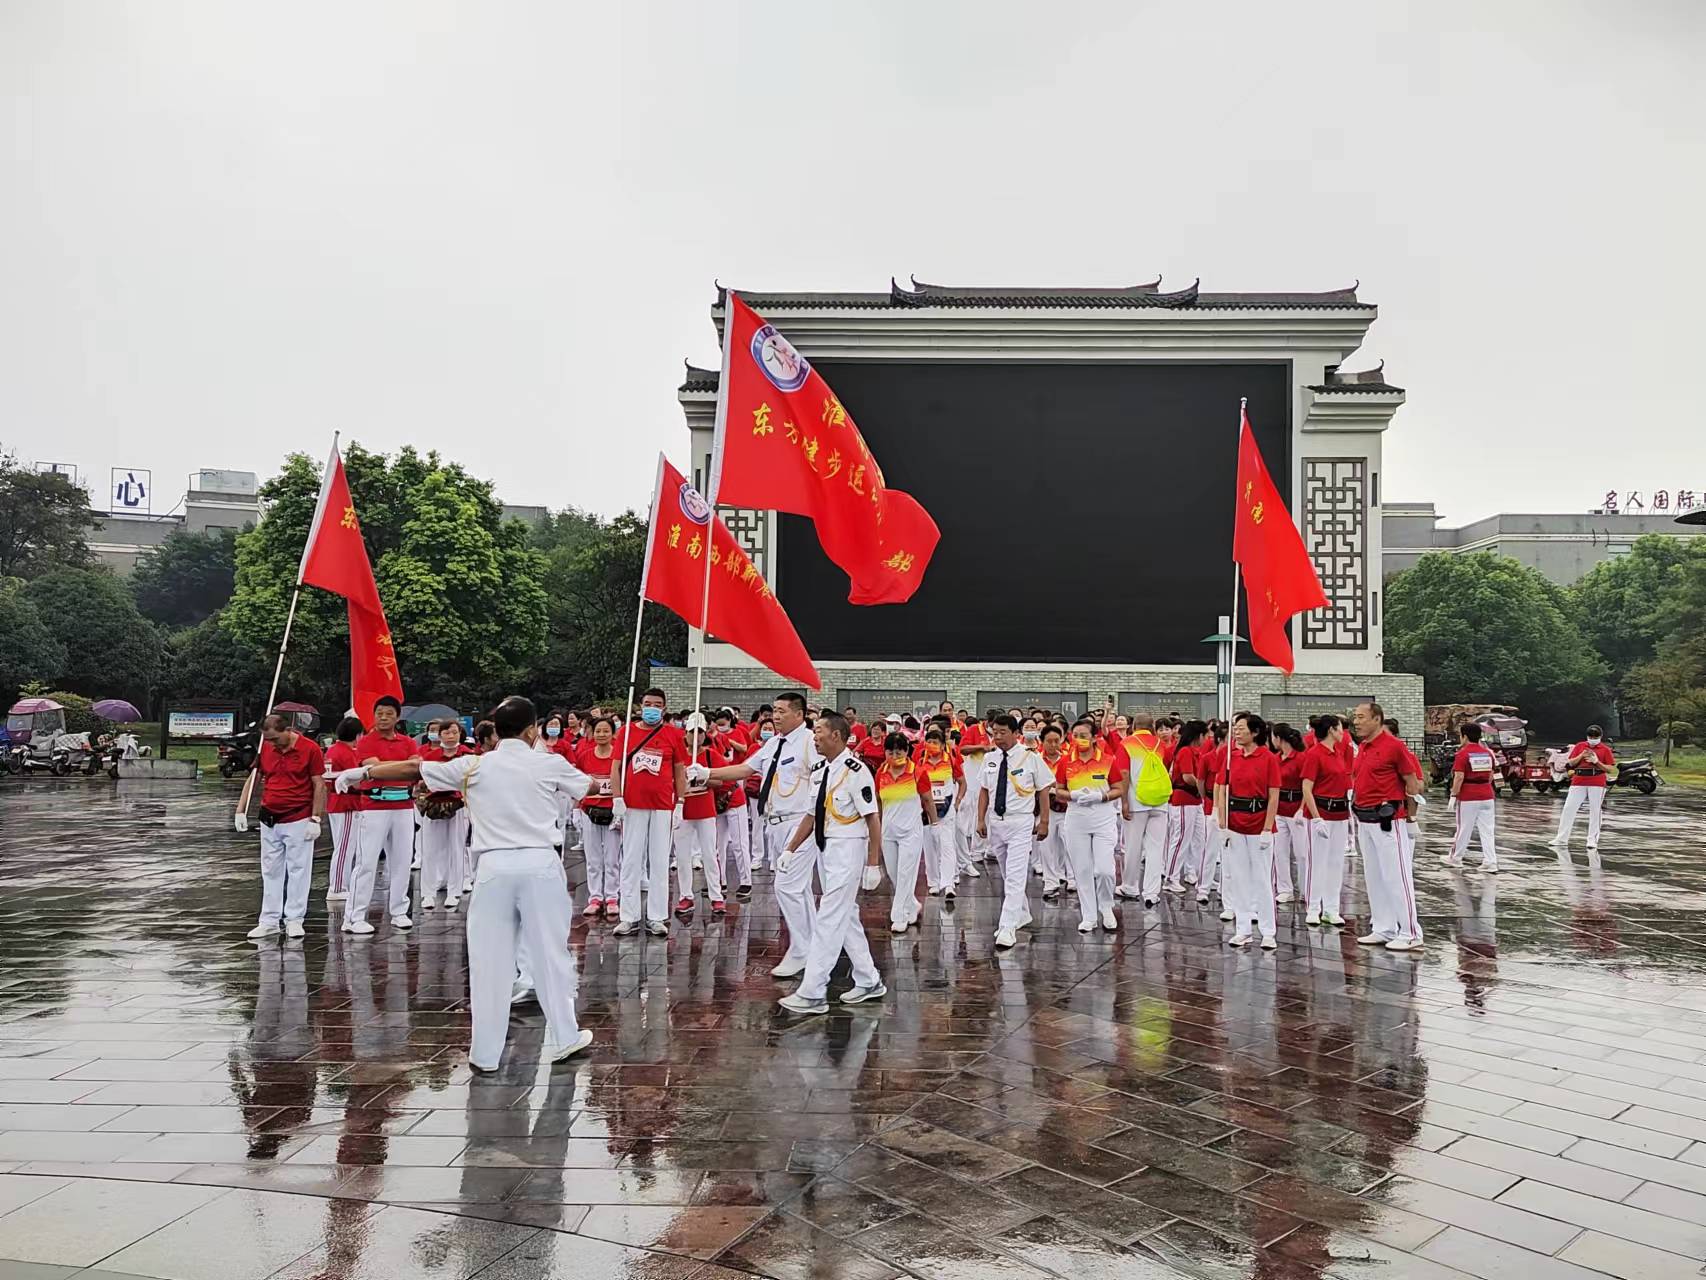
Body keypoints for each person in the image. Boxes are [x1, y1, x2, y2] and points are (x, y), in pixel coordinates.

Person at [335, 695, 594, 1070]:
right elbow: (590, 788)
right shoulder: (549, 763)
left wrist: (363, 774)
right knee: (550, 955)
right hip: (539, 865)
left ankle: (485, 1053)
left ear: (494, 732)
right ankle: (566, 1038)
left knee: (489, 961)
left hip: (492, 868)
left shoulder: (474, 766)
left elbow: (414, 770)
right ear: (531, 730)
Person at [694, 691, 819, 977]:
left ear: (799, 715)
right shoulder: (773, 744)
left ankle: (801, 949)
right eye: (774, 710)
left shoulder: (810, 743)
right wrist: (705, 773)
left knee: (787, 887)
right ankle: (812, 945)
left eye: (782, 711)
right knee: (795, 889)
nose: (775, 716)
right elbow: (743, 769)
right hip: (774, 822)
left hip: (799, 822)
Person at [773, 713, 886, 1015]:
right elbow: (811, 814)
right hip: (826, 849)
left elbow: (872, 818)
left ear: (836, 735)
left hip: (848, 850)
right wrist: (790, 849)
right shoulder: (821, 770)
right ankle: (869, 979)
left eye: (819, 731)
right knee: (845, 917)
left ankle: (813, 991)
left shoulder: (856, 770)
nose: (814, 736)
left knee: (828, 918)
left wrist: (872, 864)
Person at [610, 688, 690, 938]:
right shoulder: (625, 733)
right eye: (647, 704)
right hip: (633, 804)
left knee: (659, 861)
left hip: (663, 805)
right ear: (639, 706)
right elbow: (616, 767)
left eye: (657, 704)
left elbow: (679, 770)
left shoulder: (673, 734)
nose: (652, 708)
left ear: (664, 709)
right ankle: (628, 916)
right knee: (631, 859)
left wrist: (681, 801)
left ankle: (656, 917)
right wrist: (617, 797)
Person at [238, 713, 326, 940]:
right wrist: (241, 809)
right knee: (270, 870)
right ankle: (269, 920)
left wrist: (316, 818)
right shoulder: (266, 748)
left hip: (298, 817)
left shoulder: (310, 749)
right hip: (269, 817)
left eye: (275, 739)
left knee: (298, 870)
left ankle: (295, 919)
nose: (272, 744)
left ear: (289, 730)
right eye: (267, 739)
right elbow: (255, 777)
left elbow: (319, 784)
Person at [976, 713, 1057, 949]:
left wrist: (1044, 821)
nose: (998, 737)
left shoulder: (1030, 758)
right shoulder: (990, 758)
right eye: (995, 732)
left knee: (1015, 874)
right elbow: (983, 790)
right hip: (996, 820)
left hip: (1020, 822)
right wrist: (980, 819)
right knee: (1005, 871)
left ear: (1015, 734)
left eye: (1003, 732)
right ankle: (1021, 913)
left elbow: (1043, 790)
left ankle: (1007, 927)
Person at [1351, 702, 1426, 952]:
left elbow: (1412, 783)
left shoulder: (1394, 746)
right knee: (1374, 877)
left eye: (1362, 717)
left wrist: (1409, 815)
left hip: (1388, 820)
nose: (1357, 722)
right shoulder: (1363, 747)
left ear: (1377, 719)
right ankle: (1384, 927)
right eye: (1355, 717)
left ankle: (1411, 931)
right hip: (1365, 818)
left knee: (1397, 877)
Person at [344, 696, 421, 935]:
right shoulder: (366, 742)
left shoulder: (408, 742)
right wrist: (401, 767)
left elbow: (414, 769)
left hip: (403, 807)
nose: (383, 717)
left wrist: (396, 768)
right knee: (366, 862)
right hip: (374, 806)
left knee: (401, 860)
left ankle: (399, 911)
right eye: (379, 713)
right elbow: (375, 770)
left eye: (388, 713)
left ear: (397, 717)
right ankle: (354, 916)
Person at [1056, 717, 1126, 934]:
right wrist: (1073, 795)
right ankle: (1088, 915)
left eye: (1084, 736)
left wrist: (1101, 797)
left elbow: (1119, 788)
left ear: (1094, 738)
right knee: (1083, 869)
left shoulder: (1107, 760)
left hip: (1103, 818)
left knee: (1104, 869)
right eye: (1075, 736)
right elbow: (1058, 791)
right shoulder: (1066, 761)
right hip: (1076, 819)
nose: (1079, 740)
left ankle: (1106, 907)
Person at [1218, 712, 1281, 950]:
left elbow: (1274, 793)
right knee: (1239, 878)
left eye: (1241, 728)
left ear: (1254, 732)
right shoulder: (1230, 758)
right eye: (1236, 728)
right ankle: (1242, 929)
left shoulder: (1268, 758)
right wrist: (1222, 823)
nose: (1237, 731)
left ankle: (1268, 931)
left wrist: (1267, 827)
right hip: (1235, 823)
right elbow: (1222, 789)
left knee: (1262, 879)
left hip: (1259, 824)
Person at [874, 732, 934, 933]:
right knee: (893, 873)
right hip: (888, 831)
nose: (895, 755)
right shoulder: (881, 773)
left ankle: (898, 915)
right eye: (890, 752)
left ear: (907, 752)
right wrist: (877, 826)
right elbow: (879, 802)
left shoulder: (917, 772)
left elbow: (928, 800)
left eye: (899, 751)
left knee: (905, 872)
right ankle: (912, 904)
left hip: (911, 832)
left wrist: (935, 825)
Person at [1299, 714, 1352, 927]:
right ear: (1331, 729)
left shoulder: (1338, 752)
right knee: (1317, 863)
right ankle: (1313, 907)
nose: (1343, 733)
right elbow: (1306, 787)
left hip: (1339, 813)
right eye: (1340, 728)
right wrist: (1317, 817)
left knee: (1335, 863)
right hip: (1320, 813)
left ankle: (1331, 908)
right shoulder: (1315, 754)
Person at [675, 713, 728, 920]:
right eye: (691, 732)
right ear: (685, 734)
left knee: (709, 854)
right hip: (683, 811)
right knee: (682, 856)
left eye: (699, 732)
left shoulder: (710, 756)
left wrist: (705, 777)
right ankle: (685, 895)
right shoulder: (678, 755)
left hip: (705, 811)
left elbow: (721, 782)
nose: (695, 736)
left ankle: (716, 896)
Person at [1115, 713, 1171, 907]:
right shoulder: (1160, 744)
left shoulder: (1127, 743)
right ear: (1153, 727)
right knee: (1156, 848)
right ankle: (1151, 892)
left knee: (1132, 845)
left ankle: (1130, 886)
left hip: (1136, 801)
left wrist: (1123, 801)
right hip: (1160, 802)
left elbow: (1123, 773)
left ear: (1133, 726)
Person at [418, 720, 473, 911]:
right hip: (434, 805)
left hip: (458, 805)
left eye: (454, 732)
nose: (450, 736)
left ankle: (454, 891)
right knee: (430, 849)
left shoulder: (467, 754)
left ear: (460, 734)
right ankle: (428, 893)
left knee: (456, 848)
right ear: (440, 735)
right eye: (446, 732)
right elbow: (420, 779)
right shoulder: (429, 755)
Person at [575, 716, 621, 918]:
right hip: (590, 811)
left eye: (606, 731)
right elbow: (577, 783)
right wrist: (578, 807)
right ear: (592, 734)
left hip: (612, 812)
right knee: (593, 858)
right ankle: (595, 897)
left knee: (612, 857)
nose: (601, 735)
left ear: (613, 734)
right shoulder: (584, 756)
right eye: (598, 731)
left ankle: (612, 897)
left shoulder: (618, 758)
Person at [918, 725, 966, 899]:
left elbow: (962, 782)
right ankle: (933, 882)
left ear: (942, 744)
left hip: (947, 808)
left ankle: (948, 883)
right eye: (928, 741)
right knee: (929, 845)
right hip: (926, 809)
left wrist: (957, 801)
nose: (931, 745)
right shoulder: (919, 759)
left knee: (947, 845)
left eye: (935, 742)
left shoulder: (950, 759)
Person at [322, 715, 364, 907]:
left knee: (343, 845)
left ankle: (339, 884)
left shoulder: (332, 750)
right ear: (357, 735)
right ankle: (338, 886)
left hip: (336, 802)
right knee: (345, 847)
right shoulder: (346, 753)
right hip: (347, 803)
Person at [1552, 724, 1615, 852]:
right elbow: (1570, 763)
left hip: (1596, 780)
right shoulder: (1580, 746)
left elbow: (1610, 769)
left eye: (1595, 737)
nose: (1593, 739)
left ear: (1600, 737)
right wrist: (1581, 756)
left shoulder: (1605, 749)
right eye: (1591, 736)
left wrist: (1596, 761)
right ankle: (1561, 838)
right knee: (1569, 808)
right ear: (1587, 736)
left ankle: (1592, 839)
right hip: (1578, 780)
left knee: (1595, 810)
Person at [1446, 722, 1499, 872]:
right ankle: (1490, 861)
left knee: (1463, 828)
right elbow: (1490, 775)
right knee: (1488, 830)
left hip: (1468, 796)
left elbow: (1459, 777)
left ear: (1465, 736)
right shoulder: (1487, 753)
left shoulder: (1462, 754)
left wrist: (1453, 795)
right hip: (1487, 794)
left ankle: (1455, 858)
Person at [1163, 720, 1206, 895]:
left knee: (1198, 838)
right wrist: (1203, 788)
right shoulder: (1185, 751)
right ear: (1199, 736)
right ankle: (1171, 877)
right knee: (1180, 838)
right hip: (1183, 798)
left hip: (1194, 800)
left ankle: (1191, 871)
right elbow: (1188, 777)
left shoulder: (1195, 751)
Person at [1270, 724, 1307, 905]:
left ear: (1279, 738)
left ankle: (1306, 888)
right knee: (1280, 851)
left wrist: (1302, 808)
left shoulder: (1300, 759)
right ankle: (1285, 889)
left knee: (1301, 853)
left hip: (1296, 809)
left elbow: (1307, 786)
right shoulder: (1275, 759)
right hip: (1279, 810)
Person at [1035, 724, 1070, 899]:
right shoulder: (1036, 760)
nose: (1054, 745)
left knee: (1069, 844)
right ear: (1042, 742)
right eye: (1049, 741)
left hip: (1066, 809)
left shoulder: (1068, 759)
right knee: (1046, 847)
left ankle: (1072, 878)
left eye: (1057, 741)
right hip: (1045, 809)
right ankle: (1050, 881)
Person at [956, 714, 992, 879]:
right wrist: (980, 747)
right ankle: (975, 850)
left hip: (994, 774)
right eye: (992, 725)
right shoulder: (974, 729)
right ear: (988, 722)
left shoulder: (1002, 733)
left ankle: (989, 847)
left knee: (991, 810)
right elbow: (962, 749)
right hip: (974, 774)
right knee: (975, 808)